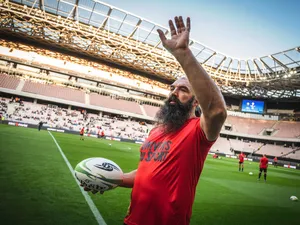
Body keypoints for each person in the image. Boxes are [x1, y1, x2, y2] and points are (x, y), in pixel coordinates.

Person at [82, 16, 227, 225]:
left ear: (196, 102)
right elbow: (145, 173)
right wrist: (105, 179)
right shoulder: (157, 131)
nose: (174, 93)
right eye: (172, 89)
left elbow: (216, 111)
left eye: (183, 90)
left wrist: (183, 55)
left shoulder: (198, 132)